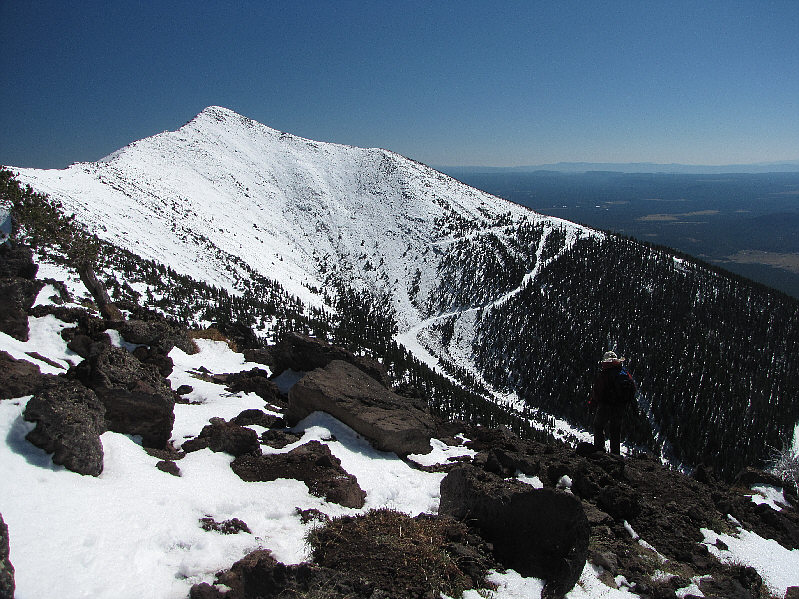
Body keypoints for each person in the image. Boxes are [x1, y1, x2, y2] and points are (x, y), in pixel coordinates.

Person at [590, 350, 636, 455]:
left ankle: (599, 450)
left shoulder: (605, 373)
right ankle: (615, 454)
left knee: (598, 425)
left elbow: (598, 390)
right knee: (615, 429)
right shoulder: (623, 372)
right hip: (620, 405)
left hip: (605, 404)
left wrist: (593, 403)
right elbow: (633, 388)